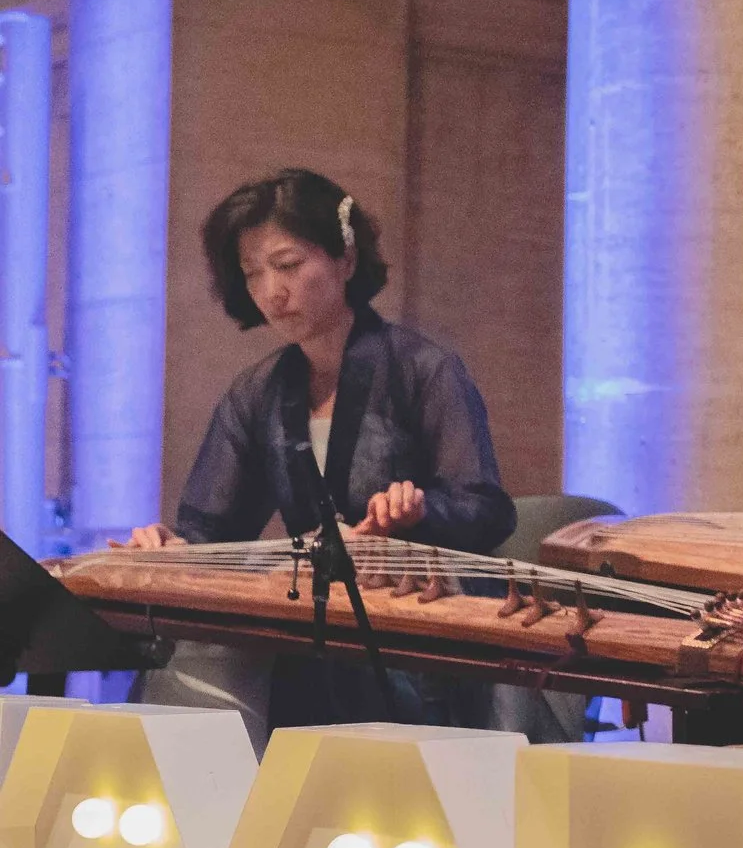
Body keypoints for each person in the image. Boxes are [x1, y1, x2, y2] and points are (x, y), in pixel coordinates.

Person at [121, 168, 517, 740]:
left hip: (413, 621)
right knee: (194, 652)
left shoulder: (422, 368)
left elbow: (487, 508)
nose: (270, 292)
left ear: (346, 259)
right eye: (253, 273)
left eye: (286, 265)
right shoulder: (258, 392)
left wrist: (418, 511)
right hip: (309, 615)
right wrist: (171, 548)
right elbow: (212, 531)